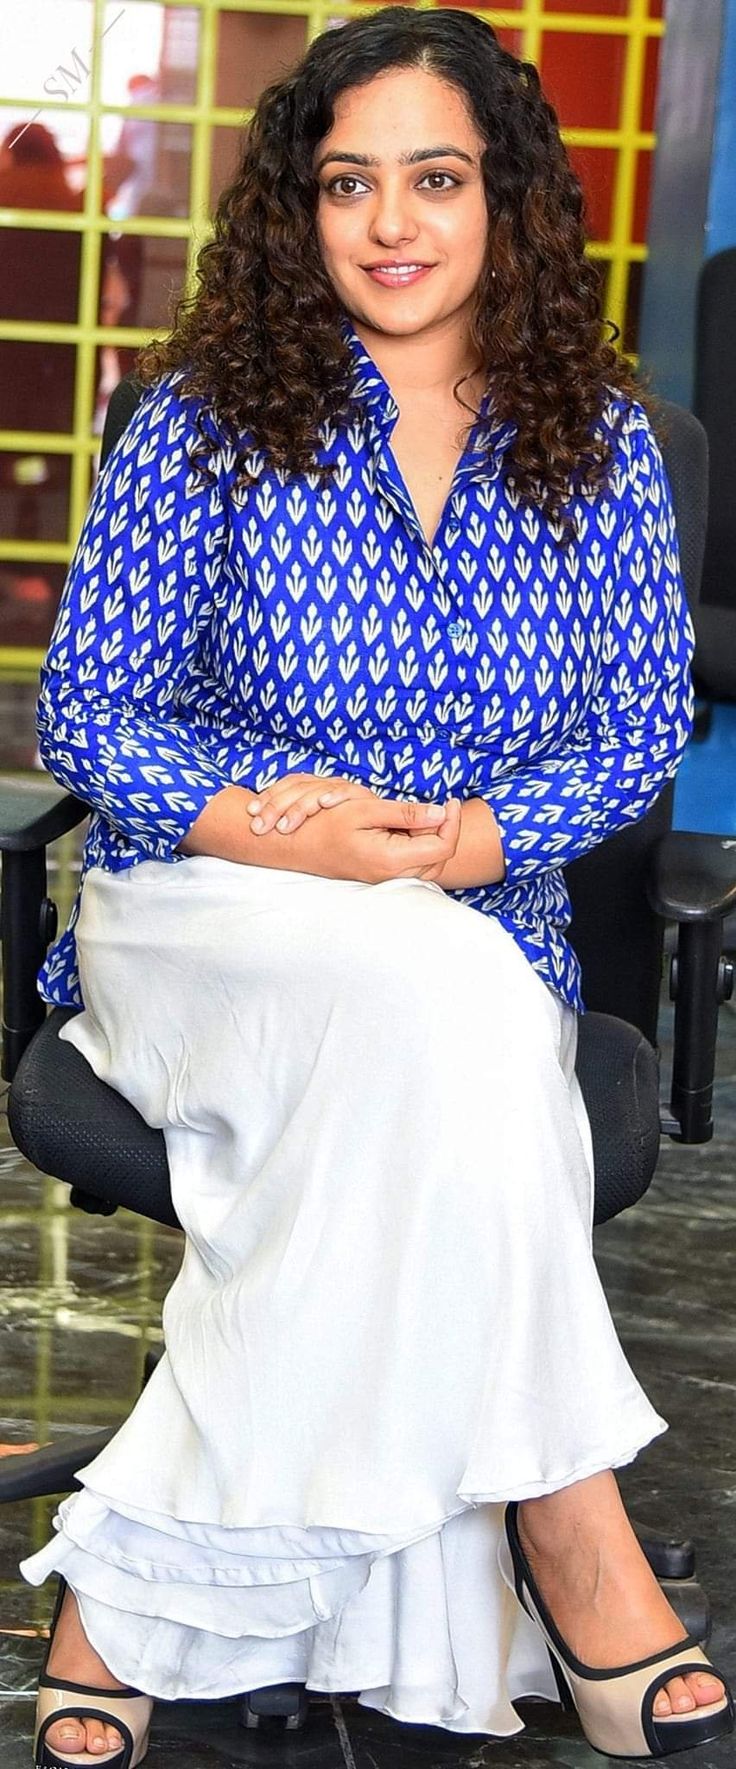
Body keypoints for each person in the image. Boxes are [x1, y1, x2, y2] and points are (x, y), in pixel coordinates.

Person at [19, 8, 734, 1764]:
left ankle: (121, 1595)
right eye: (350, 184)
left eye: (436, 177)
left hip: (473, 924)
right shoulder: (204, 418)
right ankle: (576, 1536)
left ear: (507, 202)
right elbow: (93, 708)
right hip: (205, 911)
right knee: (459, 1005)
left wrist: (476, 846)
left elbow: (639, 726)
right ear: (301, 208)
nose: (392, 223)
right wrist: (288, 833)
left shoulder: (602, 438)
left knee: (450, 992)